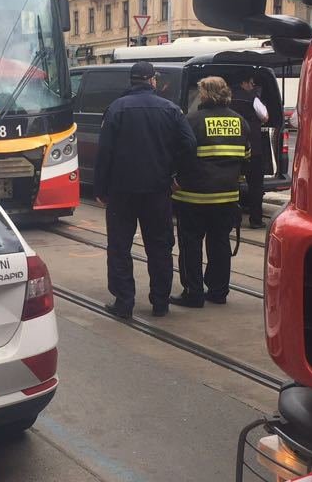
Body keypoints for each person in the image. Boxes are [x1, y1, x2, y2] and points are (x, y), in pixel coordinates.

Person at [94, 61, 196, 319]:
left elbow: (103, 152)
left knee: (119, 247)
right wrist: (179, 178)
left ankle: (124, 302)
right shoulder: (171, 109)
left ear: (131, 81)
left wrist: (101, 188)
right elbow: (189, 144)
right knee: (160, 247)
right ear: (152, 81)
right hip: (158, 190)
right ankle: (160, 302)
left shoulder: (116, 109)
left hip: (121, 192)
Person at [169, 77, 251, 307]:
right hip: (226, 197)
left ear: (204, 95)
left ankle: (193, 293)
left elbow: (180, 157)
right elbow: (246, 158)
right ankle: (218, 291)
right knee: (220, 244)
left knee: (190, 245)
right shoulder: (240, 122)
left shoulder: (192, 121)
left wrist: (176, 180)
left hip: (193, 197)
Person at [230, 74, 269, 228]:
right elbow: (265, 116)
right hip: (253, 149)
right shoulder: (253, 99)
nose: (253, 87)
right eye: (251, 83)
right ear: (243, 83)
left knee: (233, 186)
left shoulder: (227, 98)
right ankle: (256, 220)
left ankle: (233, 220)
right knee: (255, 186)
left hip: (233, 148)